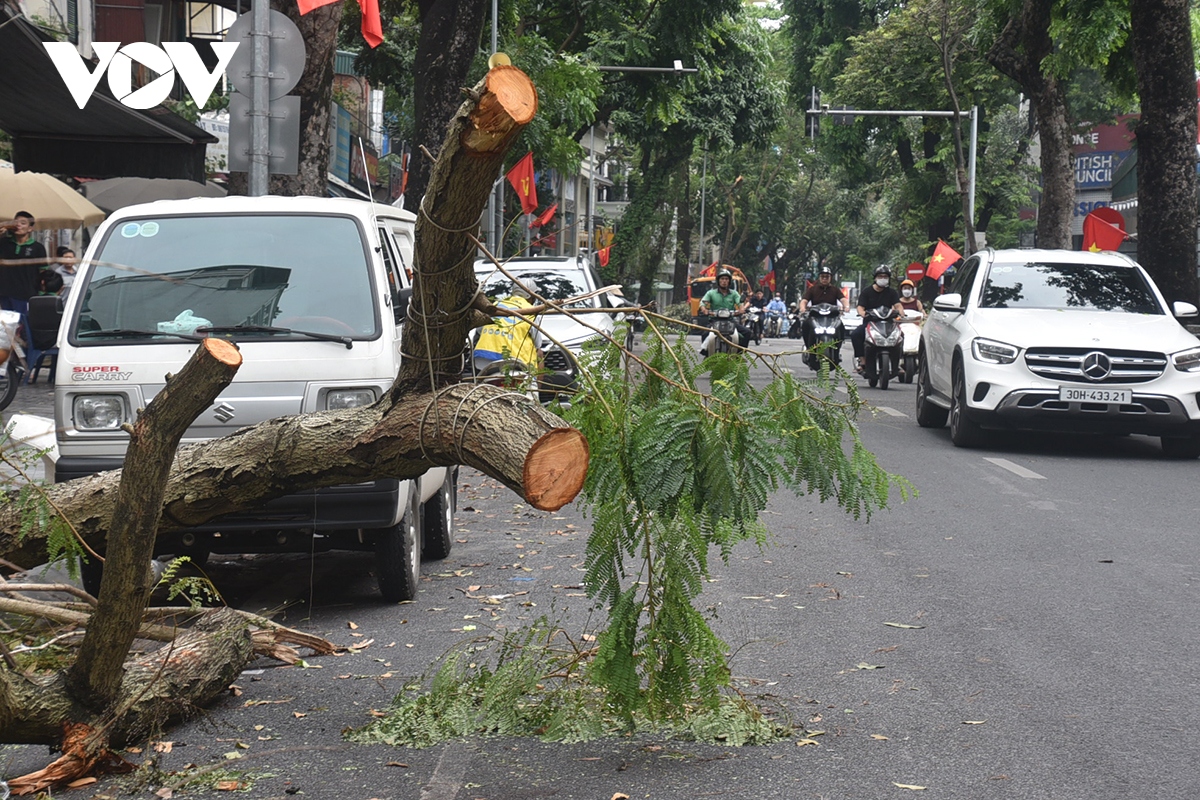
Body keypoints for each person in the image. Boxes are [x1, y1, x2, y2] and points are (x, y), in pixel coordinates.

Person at [472, 277, 544, 374]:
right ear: (532, 296)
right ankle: (537, 389)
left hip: (483, 360)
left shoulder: (494, 306)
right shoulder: (531, 312)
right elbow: (538, 345)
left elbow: (479, 331)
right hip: (516, 363)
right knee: (539, 354)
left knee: (482, 387)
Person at [851, 265, 904, 374]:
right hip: (870, 323)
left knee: (901, 336)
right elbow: (860, 306)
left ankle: (897, 364)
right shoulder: (867, 292)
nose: (883, 278)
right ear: (875, 278)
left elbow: (898, 305)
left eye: (885, 276)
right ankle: (862, 360)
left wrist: (901, 312)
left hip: (888, 323)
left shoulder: (892, 292)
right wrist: (862, 313)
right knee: (856, 334)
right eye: (880, 276)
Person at [0, 211, 48, 315]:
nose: (18, 225)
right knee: (7, 327)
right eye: (16, 222)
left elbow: (43, 272)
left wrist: (42, 293)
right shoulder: (3, 243)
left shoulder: (37, 248)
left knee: (24, 326)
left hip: (26, 294)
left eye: (23, 223)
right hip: (4, 293)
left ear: (30, 228)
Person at [699, 269, 751, 354]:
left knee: (747, 333)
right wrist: (704, 309)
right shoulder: (711, 293)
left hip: (730, 320)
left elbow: (740, 302)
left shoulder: (734, 293)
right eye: (722, 279)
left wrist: (741, 309)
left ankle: (739, 354)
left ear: (729, 281)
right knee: (705, 334)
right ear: (718, 281)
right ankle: (707, 353)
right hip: (714, 320)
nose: (724, 281)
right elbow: (703, 302)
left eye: (726, 279)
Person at [799, 266, 848, 348]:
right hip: (816, 317)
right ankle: (808, 347)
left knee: (840, 325)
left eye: (827, 277)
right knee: (805, 324)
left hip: (832, 317)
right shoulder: (812, 289)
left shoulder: (835, 289)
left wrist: (846, 306)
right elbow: (804, 300)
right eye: (822, 277)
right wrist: (803, 308)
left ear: (830, 278)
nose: (825, 279)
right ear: (819, 278)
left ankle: (839, 345)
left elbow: (843, 299)